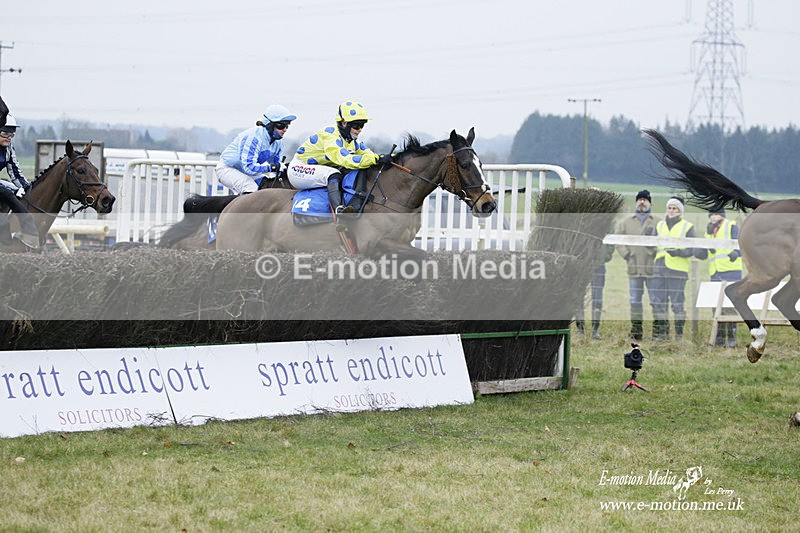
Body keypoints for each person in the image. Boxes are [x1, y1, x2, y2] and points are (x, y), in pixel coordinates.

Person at [287, 101, 392, 217]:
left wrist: (386, 158)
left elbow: (368, 154)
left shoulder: (351, 140)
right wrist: (375, 159)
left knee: (359, 169)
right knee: (334, 173)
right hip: (298, 169)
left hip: (318, 168)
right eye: (356, 126)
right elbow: (345, 159)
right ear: (344, 123)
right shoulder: (330, 135)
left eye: (362, 125)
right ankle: (339, 210)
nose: (360, 130)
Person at [651, 196, 708, 341]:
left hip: (678, 270)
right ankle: (662, 335)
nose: (671, 211)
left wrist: (678, 252)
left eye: (674, 208)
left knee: (677, 304)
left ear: (680, 211)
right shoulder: (659, 225)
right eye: (669, 208)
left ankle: (679, 336)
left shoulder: (687, 227)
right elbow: (651, 246)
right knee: (659, 302)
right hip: (659, 268)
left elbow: (691, 249)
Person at [216, 104, 296, 194]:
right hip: (228, 168)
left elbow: (277, 165)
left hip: (246, 170)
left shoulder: (278, 143)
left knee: (266, 187)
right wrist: (272, 167)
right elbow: (249, 168)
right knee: (251, 187)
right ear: (269, 124)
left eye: (287, 126)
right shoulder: (254, 138)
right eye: (281, 125)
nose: (285, 129)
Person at [616, 190, 661, 341]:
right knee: (635, 300)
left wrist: (654, 253)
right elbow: (618, 240)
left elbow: (663, 241)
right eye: (640, 199)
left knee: (655, 300)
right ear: (636, 202)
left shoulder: (658, 221)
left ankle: (658, 332)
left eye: (645, 200)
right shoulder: (626, 222)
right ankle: (636, 331)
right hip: (634, 268)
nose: (642, 202)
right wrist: (627, 255)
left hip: (652, 268)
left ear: (650, 203)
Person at [0, 114, 39, 248]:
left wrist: (27, 188)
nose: (9, 137)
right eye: (5, 133)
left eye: (12, 134)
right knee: (8, 193)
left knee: (15, 192)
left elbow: (15, 172)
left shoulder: (9, 149)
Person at [705, 208, 742, 347]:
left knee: (730, 305)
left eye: (716, 214)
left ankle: (731, 337)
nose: (714, 217)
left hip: (731, 270)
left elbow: (741, 244)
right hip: (715, 271)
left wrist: (736, 253)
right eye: (712, 214)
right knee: (716, 306)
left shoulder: (731, 226)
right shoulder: (709, 229)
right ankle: (719, 337)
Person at [575, 244, 614, 339]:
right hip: (580, 263)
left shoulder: (605, 228)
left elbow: (610, 240)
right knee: (578, 298)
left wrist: (605, 256)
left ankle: (595, 330)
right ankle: (580, 329)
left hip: (599, 265)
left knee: (598, 299)